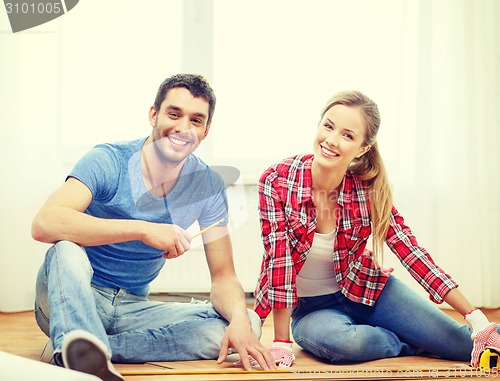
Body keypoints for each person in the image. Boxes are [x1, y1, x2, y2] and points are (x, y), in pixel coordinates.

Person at [31, 73, 275, 381]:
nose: (183, 128)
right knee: (65, 249)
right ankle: (77, 343)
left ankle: (91, 349)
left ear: (206, 130)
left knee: (247, 322)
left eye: (196, 120)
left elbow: (224, 275)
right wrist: (143, 229)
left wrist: (238, 317)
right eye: (174, 114)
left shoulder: (208, 185)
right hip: (72, 296)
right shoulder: (108, 160)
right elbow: (45, 223)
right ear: (153, 114)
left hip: (133, 308)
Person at [251, 90, 500, 368]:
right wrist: (282, 341)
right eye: (328, 126)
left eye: (347, 135)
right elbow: (279, 261)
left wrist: (476, 318)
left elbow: (411, 252)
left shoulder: (368, 189)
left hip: (369, 288)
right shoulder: (277, 180)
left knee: (465, 344)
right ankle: (408, 342)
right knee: (340, 343)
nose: (331, 140)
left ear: (362, 149)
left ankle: (452, 335)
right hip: (313, 309)